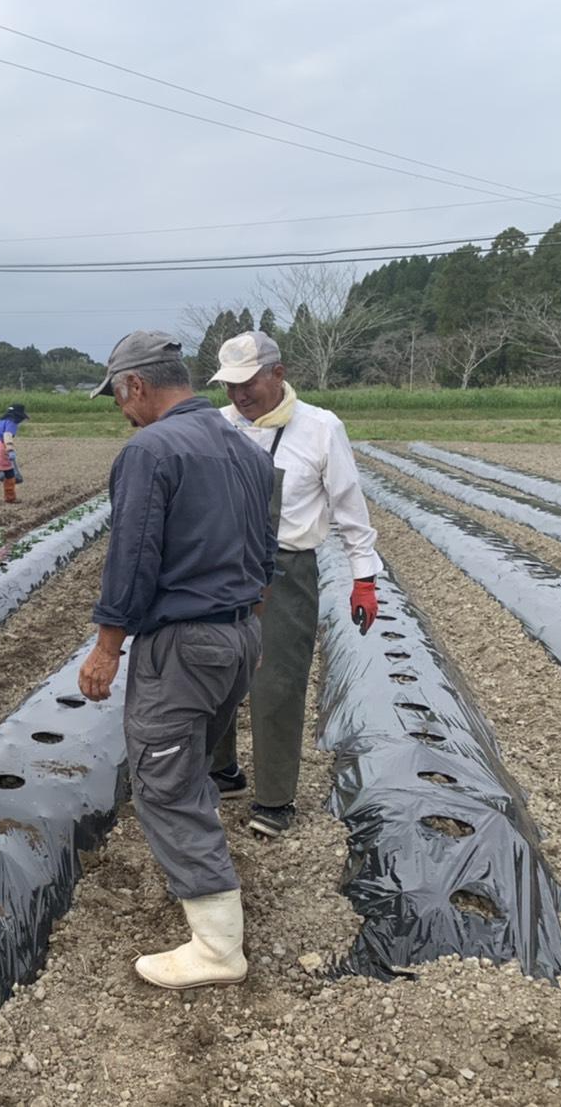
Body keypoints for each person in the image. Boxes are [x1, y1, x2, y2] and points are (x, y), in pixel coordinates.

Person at [78, 330, 276, 991]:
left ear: (136, 384)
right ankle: (204, 883)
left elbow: (132, 558)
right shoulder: (244, 446)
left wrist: (107, 647)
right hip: (239, 633)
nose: (119, 410)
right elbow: (264, 551)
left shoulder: (152, 449)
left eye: (117, 397)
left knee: (163, 778)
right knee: (189, 764)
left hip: (185, 643)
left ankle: (218, 948)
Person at [207, 331, 382, 839]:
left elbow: (351, 510)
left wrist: (363, 580)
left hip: (286, 569)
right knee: (216, 671)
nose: (238, 396)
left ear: (278, 375)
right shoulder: (217, 426)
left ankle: (275, 797)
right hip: (224, 566)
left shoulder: (320, 428)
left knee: (276, 684)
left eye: (248, 383)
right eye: (230, 386)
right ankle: (222, 772)